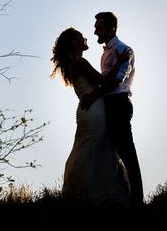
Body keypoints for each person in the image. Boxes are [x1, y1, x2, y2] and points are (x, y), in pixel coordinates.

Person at [51, 27, 130, 203]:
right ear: (74, 42)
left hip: (88, 111)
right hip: (94, 112)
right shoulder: (79, 62)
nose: (85, 39)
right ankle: (91, 195)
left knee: (91, 149)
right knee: (94, 149)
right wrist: (119, 62)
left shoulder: (75, 63)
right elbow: (104, 82)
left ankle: (90, 195)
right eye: (81, 37)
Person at [80, 11, 144, 207]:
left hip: (119, 105)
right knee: (111, 153)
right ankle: (116, 196)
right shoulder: (106, 52)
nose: (95, 31)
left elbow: (117, 81)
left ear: (111, 28)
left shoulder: (125, 50)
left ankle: (137, 201)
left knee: (127, 152)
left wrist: (94, 95)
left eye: (99, 27)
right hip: (107, 106)